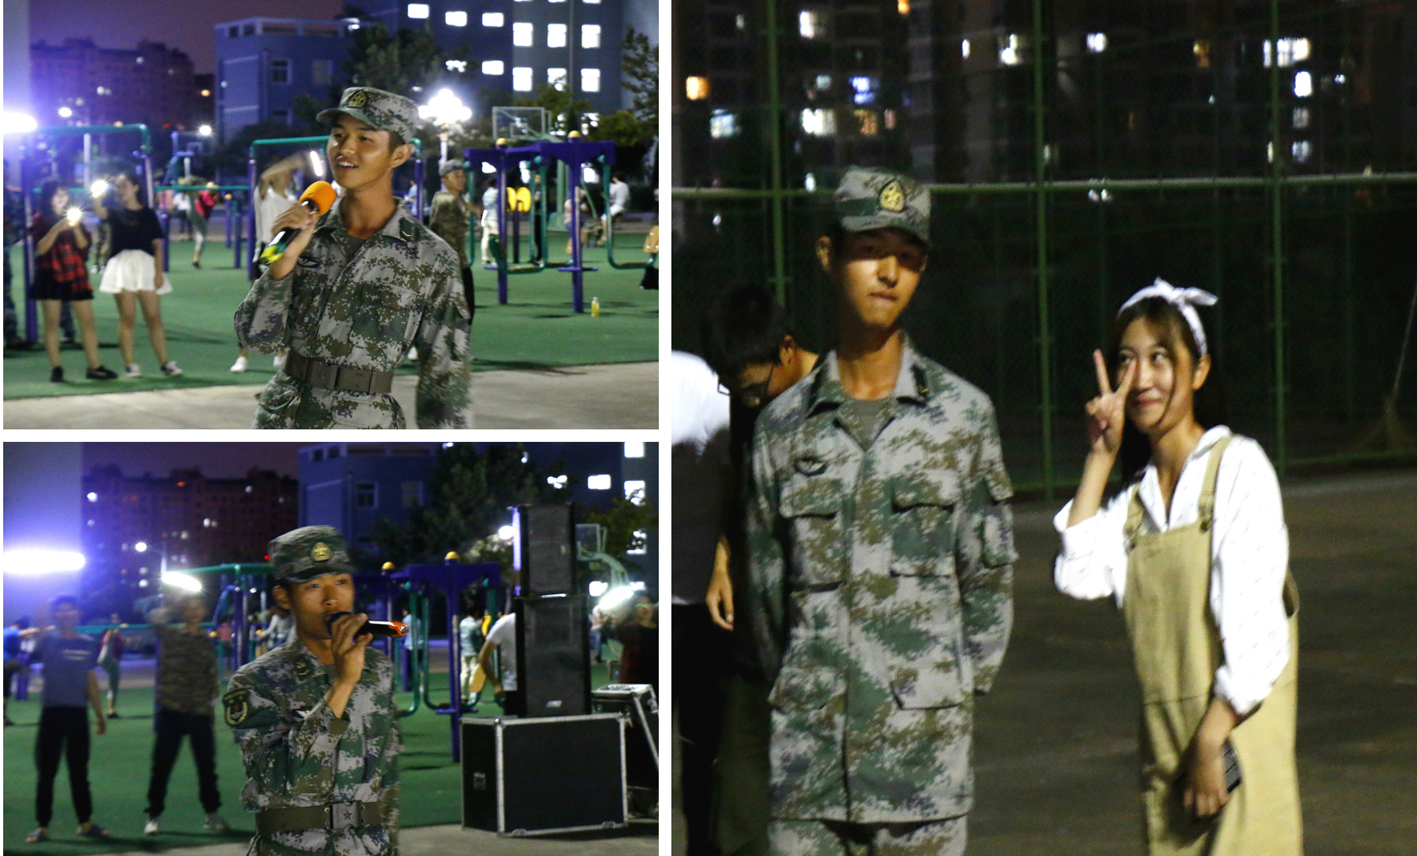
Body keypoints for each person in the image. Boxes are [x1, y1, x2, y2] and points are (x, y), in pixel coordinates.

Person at [747, 167, 1016, 856]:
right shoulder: (782, 428)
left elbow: (986, 585)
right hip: (810, 773)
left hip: (922, 774)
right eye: (870, 251)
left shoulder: (963, 417)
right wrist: (813, 683)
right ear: (828, 254)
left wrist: (936, 692)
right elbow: (766, 598)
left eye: (908, 257)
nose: (889, 273)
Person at [1053, 279, 1302, 854]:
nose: (1141, 378)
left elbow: (1258, 633)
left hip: (1233, 743)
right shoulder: (1134, 506)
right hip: (1169, 759)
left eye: (1160, 358)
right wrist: (1101, 455)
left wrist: (1211, 741)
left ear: (1199, 370)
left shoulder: (1237, 468)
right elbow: (1077, 573)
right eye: (1127, 360)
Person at [234, 86, 473, 429]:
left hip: (364, 424)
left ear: (399, 155)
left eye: (365, 139)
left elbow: (446, 382)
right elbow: (256, 339)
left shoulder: (431, 258)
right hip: (280, 419)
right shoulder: (305, 233)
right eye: (338, 135)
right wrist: (282, 266)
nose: (345, 148)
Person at [679, 283, 820, 856]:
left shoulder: (833, 400)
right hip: (752, 644)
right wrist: (722, 558)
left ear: (788, 348)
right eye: (733, 391)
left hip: (819, 640)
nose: (748, 402)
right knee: (736, 812)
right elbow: (741, 487)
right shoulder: (747, 402)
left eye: (754, 389)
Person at [222, 526, 401, 856]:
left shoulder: (377, 669)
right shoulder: (256, 681)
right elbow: (287, 778)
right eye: (313, 586)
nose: (332, 598)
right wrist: (343, 683)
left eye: (341, 582)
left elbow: (386, 775)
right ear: (284, 598)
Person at [25, 595, 109, 843]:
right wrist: (41, 591)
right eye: (60, 611)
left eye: (70, 610)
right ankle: (42, 826)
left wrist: (99, 714)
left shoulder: (87, 644)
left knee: (79, 772)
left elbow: (90, 680)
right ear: (54, 616)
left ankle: (85, 823)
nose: (65, 614)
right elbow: (40, 621)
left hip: (77, 714)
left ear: (77, 613)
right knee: (47, 772)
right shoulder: (48, 640)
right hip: (52, 714)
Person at [144, 592, 229, 835]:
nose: (194, 612)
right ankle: (154, 816)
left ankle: (212, 813)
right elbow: (154, 618)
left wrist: (212, 706)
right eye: (189, 607)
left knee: (206, 767)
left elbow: (210, 675)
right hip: (171, 709)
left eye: (198, 607)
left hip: (199, 711)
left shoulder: (205, 641)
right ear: (182, 611)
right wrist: (171, 606)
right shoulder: (170, 634)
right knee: (161, 767)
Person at [93, 171, 183, 378]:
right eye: (118, 186)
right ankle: (130, 364)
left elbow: (157, 245)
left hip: (145, 265)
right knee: (127, 317)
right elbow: (99, 211)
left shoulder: (148, 214)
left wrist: (159, 273)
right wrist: (98, 194)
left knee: (154, 317)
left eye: (125, 185)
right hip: (121, 265)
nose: (121, 190)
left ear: (136, 187)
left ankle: (165, 362)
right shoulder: (114, 211)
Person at [29, 179, 118, 382]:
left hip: (75, 274)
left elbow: (84, 246)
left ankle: (94, 366)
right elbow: (40, 248)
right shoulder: (40, 219)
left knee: (87, 322)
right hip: (50, 274)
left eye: (64, 193)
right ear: (48, 197)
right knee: (51, 323)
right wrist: (57, 228)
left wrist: (76, 227)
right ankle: (57, 367)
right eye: (56, 194)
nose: (61, 197)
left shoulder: (75, 218)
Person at [233, 155, 302, 373]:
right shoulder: (264, 195)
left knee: (286, 307)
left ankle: (281, 353)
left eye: (289, 173)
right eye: (283, 173)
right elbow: (264, 178)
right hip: (268, 249)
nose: (287, 176)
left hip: (285, 249)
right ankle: (242, 357)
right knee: (255, 307)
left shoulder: (293, 200)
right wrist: (291, 162)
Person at [428, 159, 475, 326]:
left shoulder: (458, 199)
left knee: (465, 310)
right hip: (447, 263)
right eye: (456, 176)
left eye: (462, 175)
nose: (461, 179)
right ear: (444, 180)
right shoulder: (445, 199)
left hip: (459, 262)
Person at [477, 611, 520, 715]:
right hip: (516, 688)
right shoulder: (506, 622)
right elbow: (483, 656)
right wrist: (495, 683)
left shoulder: (506, 622)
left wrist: (496, 684)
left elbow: (483, 656)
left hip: (539, 685)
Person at [96, 615, 126, 717]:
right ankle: (111, 710)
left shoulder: (118, 637)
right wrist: (120, 626)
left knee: (113, 684)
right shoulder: (110, 633)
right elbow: (113, 632)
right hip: (107, 658)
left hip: (110, 661)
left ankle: (111, 710)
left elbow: (123, 640)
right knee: (113, 685)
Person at [457, 603, 486, 709]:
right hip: (474, 652)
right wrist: (480, 625)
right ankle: (474, 697)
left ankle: (463, 696)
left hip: (464, 651)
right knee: (475, 674)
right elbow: (479, 638)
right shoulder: (474, 625)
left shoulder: (462, 623)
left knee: (464, 674)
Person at [4, 617, 30, 726]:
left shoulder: (6, 632)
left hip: (7, 665)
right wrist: (46, 629)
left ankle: (4, 717)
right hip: (5, 664)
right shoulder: (12, 631)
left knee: (5, 693)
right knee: (4, 694)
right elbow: (26, 633)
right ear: (19, 626)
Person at [479, 179, 499, 265]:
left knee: (485, 238)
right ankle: (496, 258)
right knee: (496, 238)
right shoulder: (497, 192)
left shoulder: (486, 193)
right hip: (494, 217)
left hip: (486, 216)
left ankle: (484, 257)